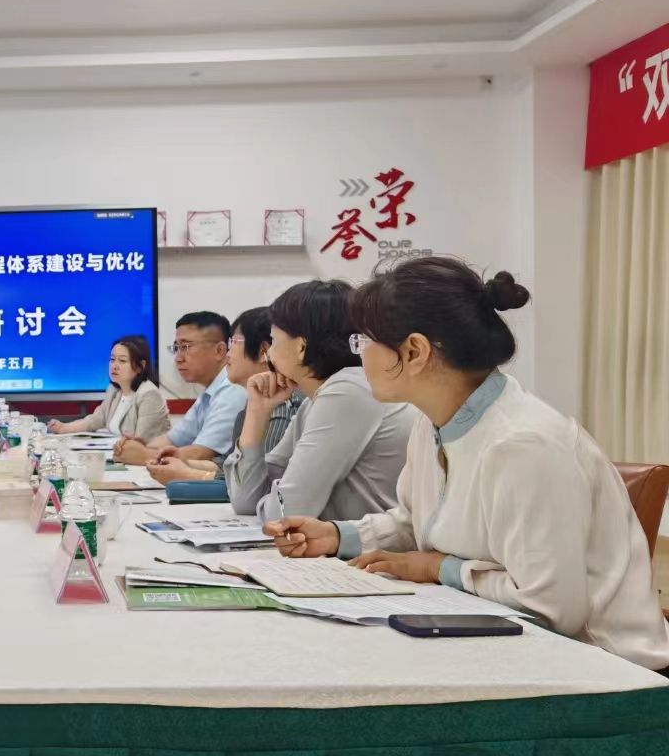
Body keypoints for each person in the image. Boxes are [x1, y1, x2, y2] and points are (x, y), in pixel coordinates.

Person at [267, 257, 669, 670]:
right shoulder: (432, 422)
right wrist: (337, 536)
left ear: (414, 351)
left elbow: (550, 608)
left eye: (363, 341)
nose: (359, 355)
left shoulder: (524, 444)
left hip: (603, 668)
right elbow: (415, 523)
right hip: (507, 648)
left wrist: (441, 568)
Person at [224, 280, 413, 521]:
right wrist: (257, 411)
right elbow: (245, 501)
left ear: (301, 347)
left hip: (368, 543)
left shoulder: (347, 392)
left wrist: (273, 498)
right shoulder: (316, 400)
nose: (269, 353)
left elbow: (284, 512)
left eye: (274, 341)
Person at [146, 306, 301, 486]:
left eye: (234, 342)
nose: (228, 353)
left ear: (262, 351)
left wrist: (188, 474)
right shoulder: (253, 401)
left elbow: (255, 484)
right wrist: (182, 460)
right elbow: (231, 463)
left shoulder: (283, 404)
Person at [115, 311, 246, 466]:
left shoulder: (232, 390)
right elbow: (172, 439)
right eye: (176, 348)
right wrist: (139, 447)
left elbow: (201, 454)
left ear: (219, 351)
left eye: (185, 347)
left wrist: (144, 455)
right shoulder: (209, 393)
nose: (178, 358)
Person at [48, 335, 171, 440]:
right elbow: (94, 421)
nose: (114, 366)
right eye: (112, 359)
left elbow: (142, 441)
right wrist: (64, 428)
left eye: (122, 361)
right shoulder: (114, 391)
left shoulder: (149, 395)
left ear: (140, 366)